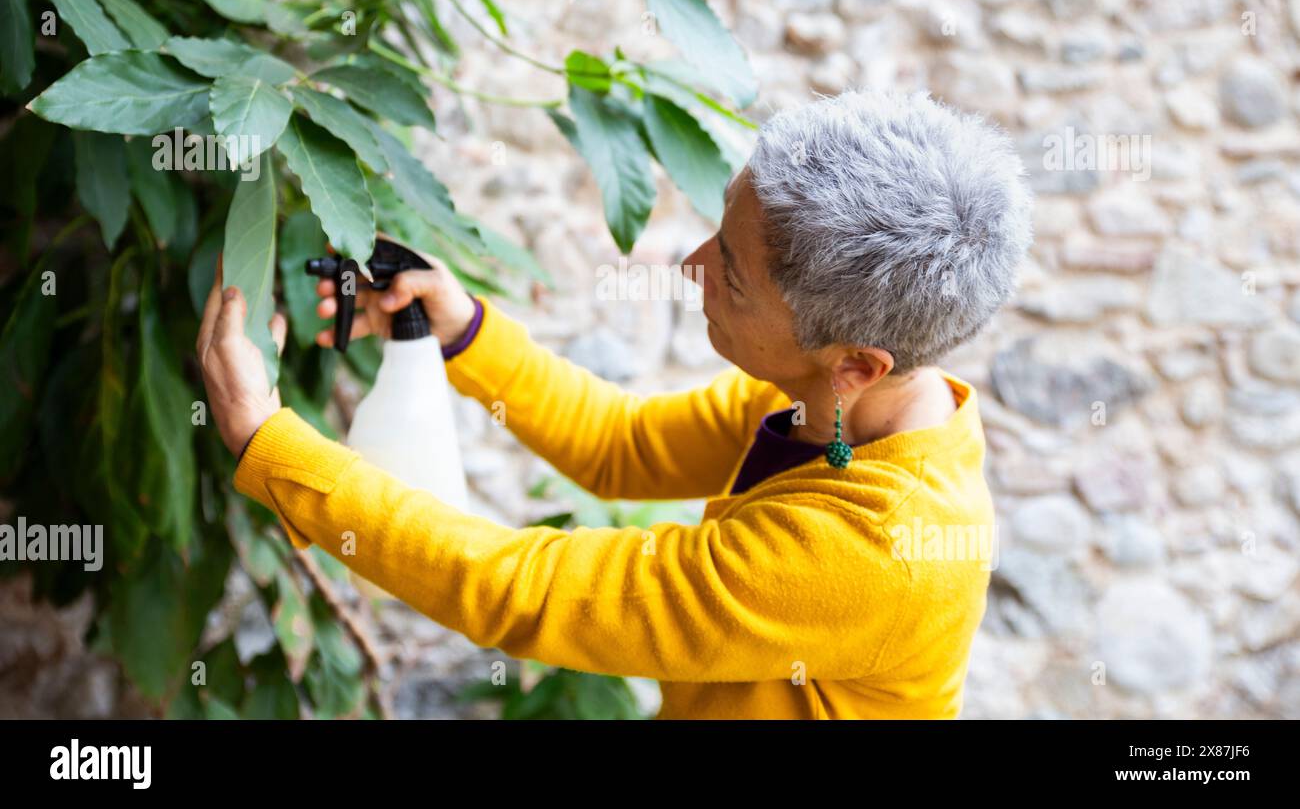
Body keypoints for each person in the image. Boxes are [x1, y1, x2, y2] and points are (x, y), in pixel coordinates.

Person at [197, 88, 1034, 719]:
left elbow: (521, 591)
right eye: (718, 231)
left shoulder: (874, 551)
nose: (692, 264)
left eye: (730, 275)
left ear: (853, 361)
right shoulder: (843, 408)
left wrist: (268, 444)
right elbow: (620, 444)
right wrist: (464, 331)